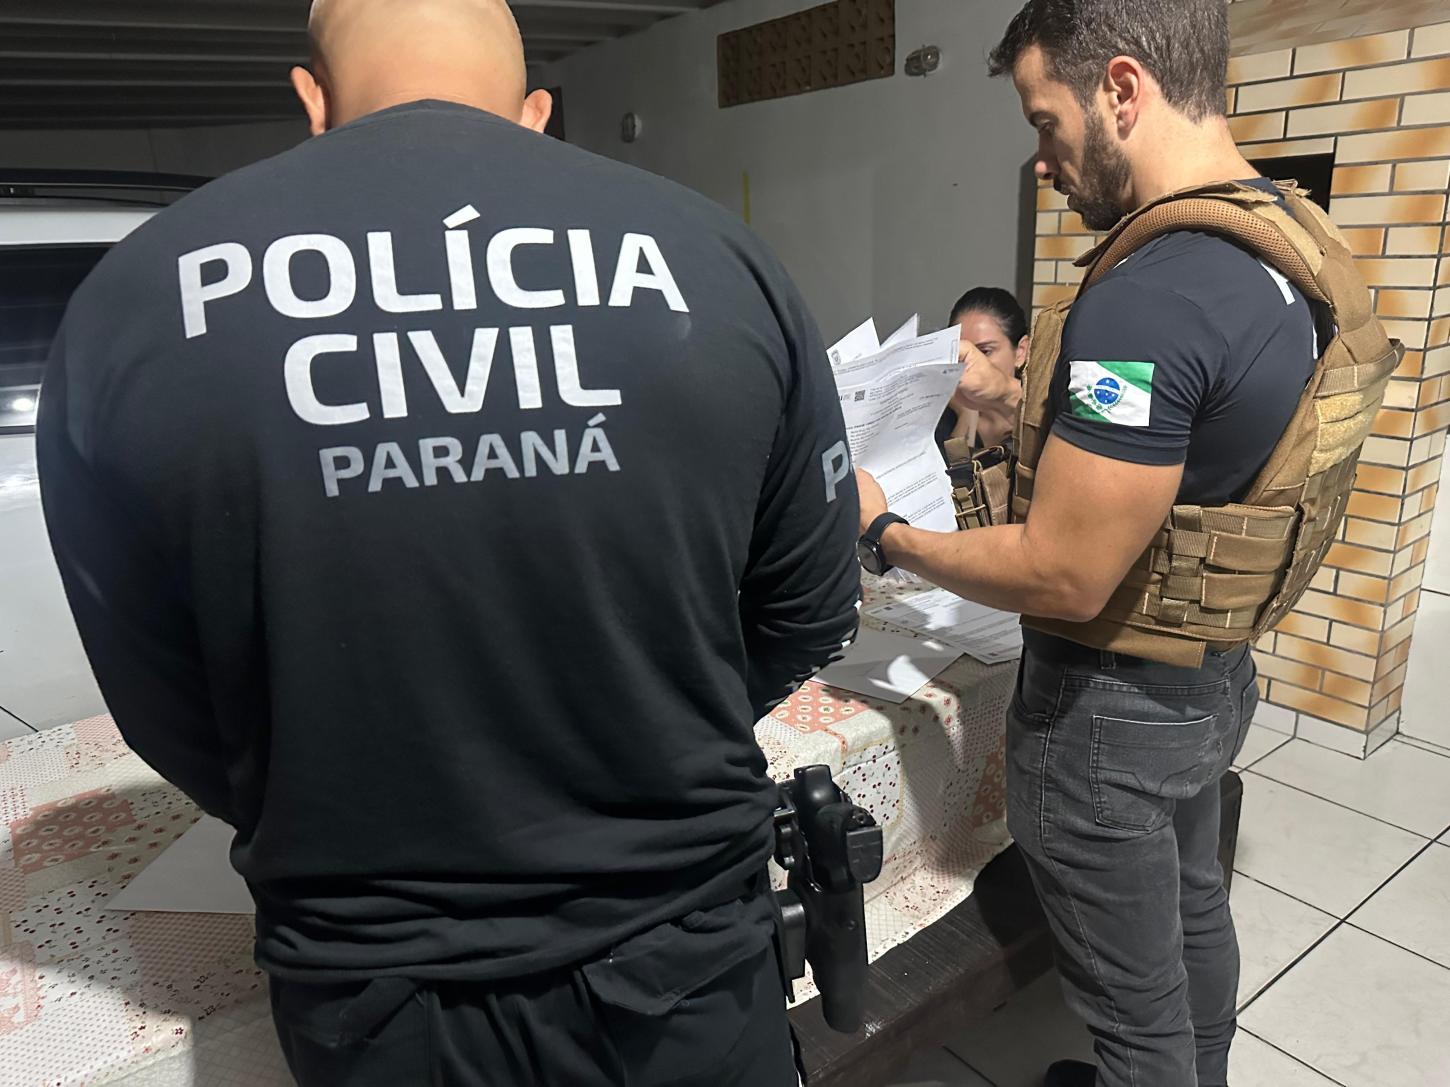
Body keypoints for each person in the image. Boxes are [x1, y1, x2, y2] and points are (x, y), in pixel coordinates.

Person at [36, 0, 860, 1083]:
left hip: (375, 993)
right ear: (536, 112)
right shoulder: (717, 258)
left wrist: (346, 783)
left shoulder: (133, 300)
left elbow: (162, 700)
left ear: (312, 101)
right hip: (684, 961)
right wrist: (648, 723)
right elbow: (809, 608)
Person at [854, 1, 1397, 1085]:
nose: (1041, 159)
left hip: (1109, 718)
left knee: (1135, 1022)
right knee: (1194, 913)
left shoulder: (1150, 298)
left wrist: (885, 530)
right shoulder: (1291, 244)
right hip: (1211, 675)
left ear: (1120, 89)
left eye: (1044, 122)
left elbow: (1065, 571)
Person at [936, 287, 1030, 450]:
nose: (971, 362)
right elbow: (953, 465)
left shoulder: (1044, 415)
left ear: (1021, 351)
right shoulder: (940, 417)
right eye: (960, 354)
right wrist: (966, 415)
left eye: (985, 351)